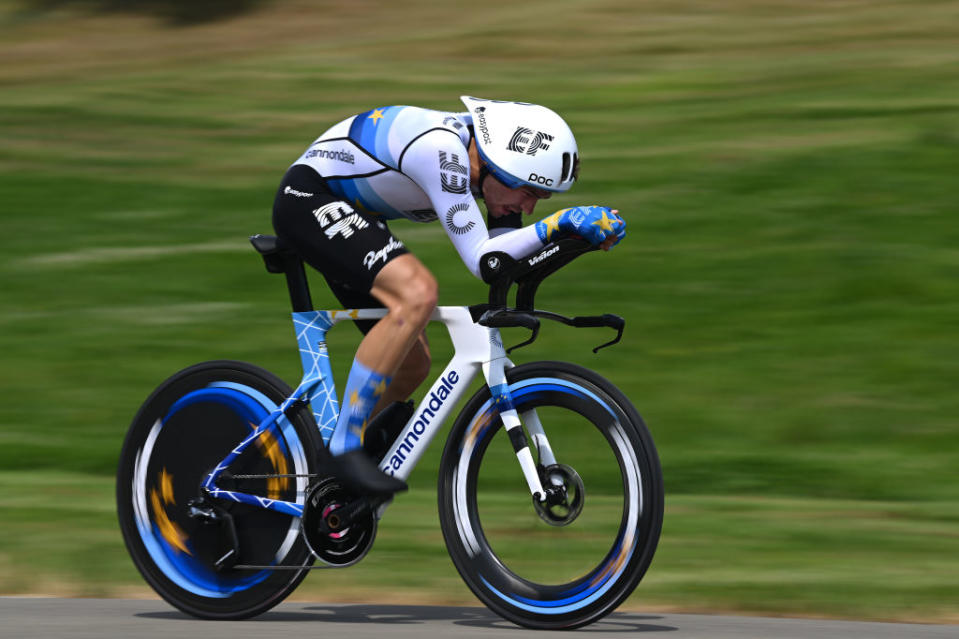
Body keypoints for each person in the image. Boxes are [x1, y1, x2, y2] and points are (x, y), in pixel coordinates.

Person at [272, 96, 626, 496]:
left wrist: (576, 240)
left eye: (541, 200)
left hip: (355, 214)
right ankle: (343, 450)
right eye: (528, 191)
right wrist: (560, 222)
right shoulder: (442, 151)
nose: (527, 207)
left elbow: (507, 256)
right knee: (418, 294)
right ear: (498, 163)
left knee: (411, 364)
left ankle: (326, 483)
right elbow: (484, 261)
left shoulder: (494, 176)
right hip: (309, 198)